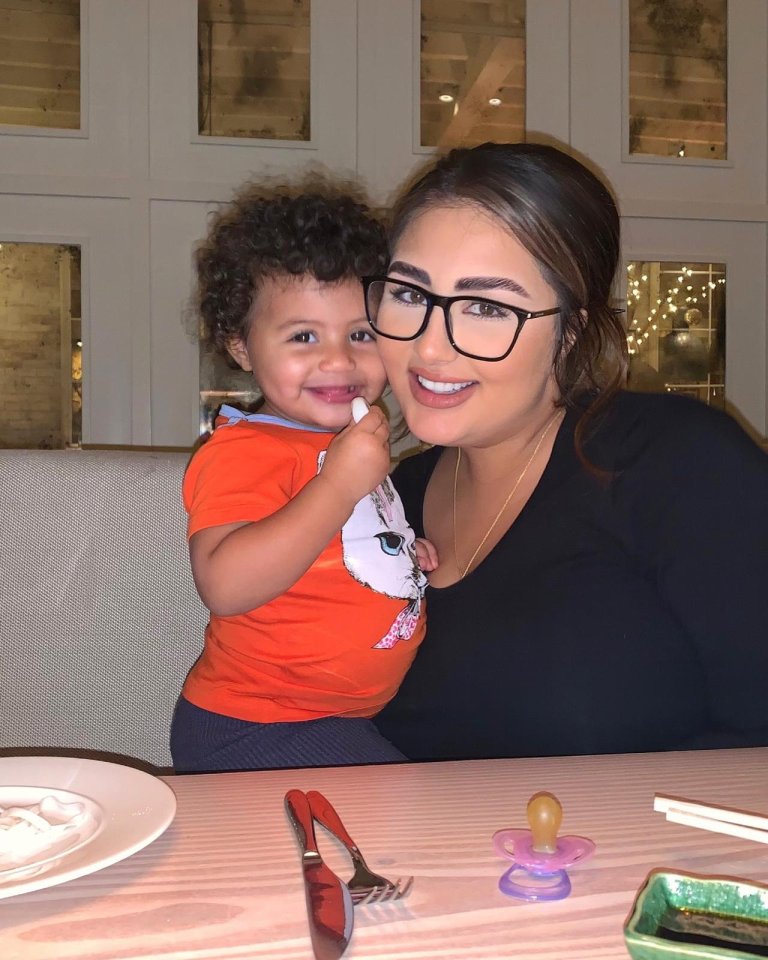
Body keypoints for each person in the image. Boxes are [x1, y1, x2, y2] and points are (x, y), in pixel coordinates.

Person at [367, 142, 768, 761]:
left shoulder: (677, 465)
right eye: (411, 295)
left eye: (486, 306)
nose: (430, 349)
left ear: (570, 332)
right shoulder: (394, 498)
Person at [170, 181, 437, 772]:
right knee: (418, 813)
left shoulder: (344, 445)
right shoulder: (245, 449)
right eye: (303, 336)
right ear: (240, 344)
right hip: (256, 725)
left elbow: (330, 552)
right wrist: (340, 485)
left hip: (335, 717)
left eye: (361, 335)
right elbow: (226, 583)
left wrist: (401, 555)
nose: (338, 360)